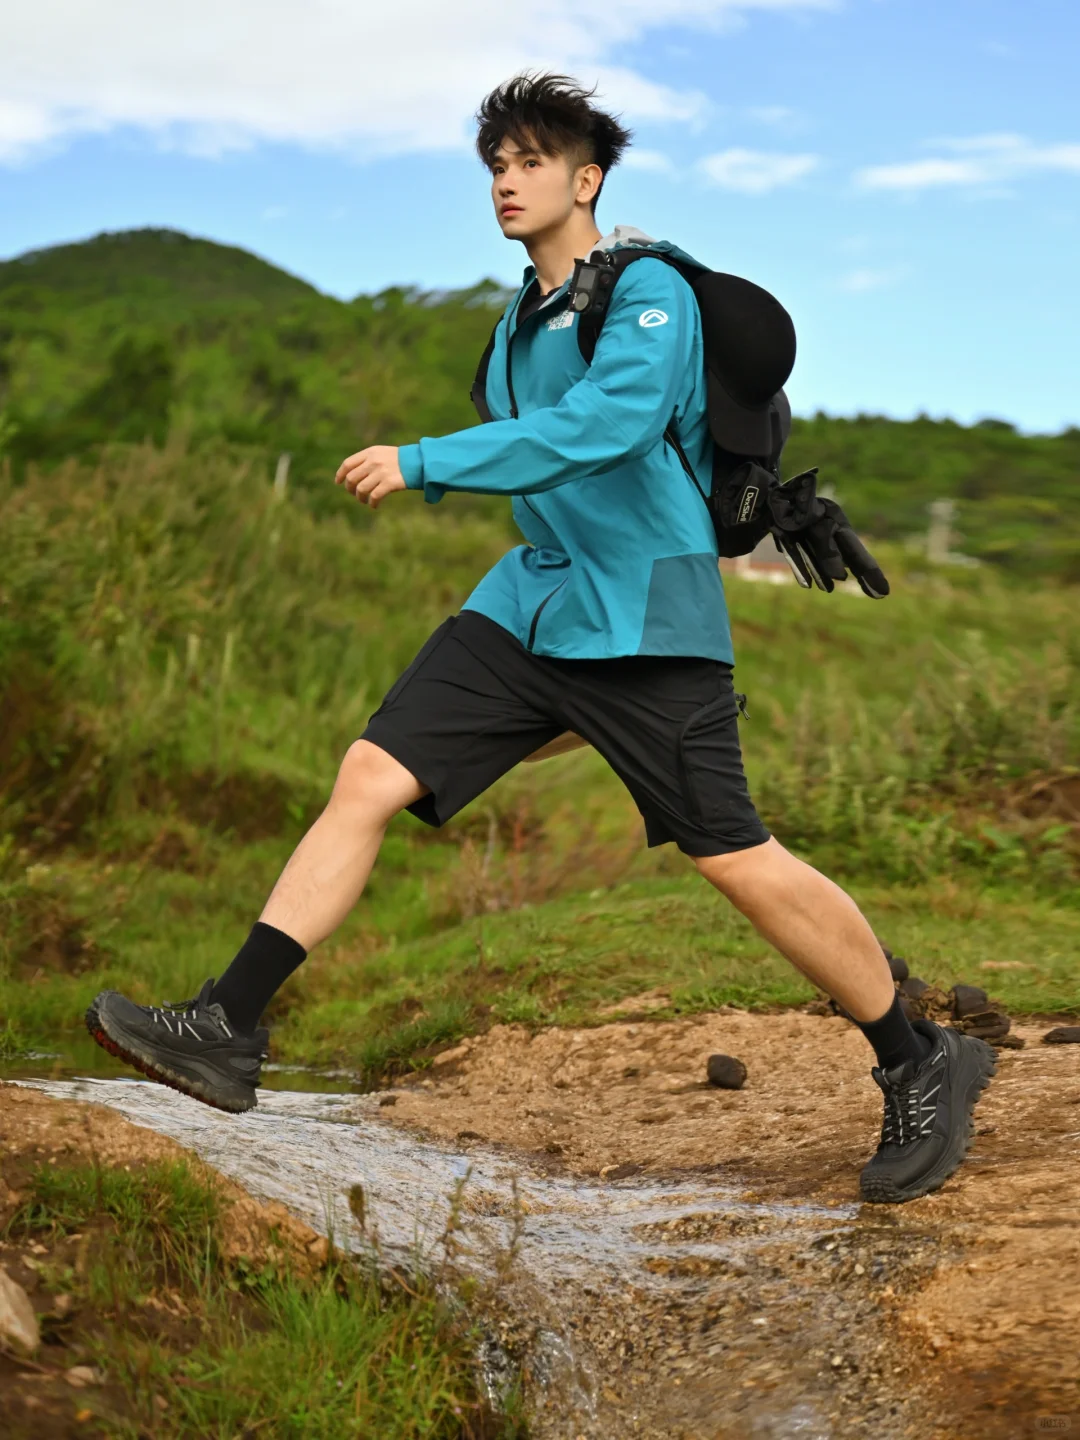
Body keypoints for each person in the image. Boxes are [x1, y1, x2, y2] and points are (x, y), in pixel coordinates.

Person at [87, 72, 995, 1205]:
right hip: (530, 603)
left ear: (587, 178)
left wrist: (425, 460)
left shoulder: (651, 289)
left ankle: (921, 1061)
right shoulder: (517, 321)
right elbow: (542, 439)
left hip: (646, 617)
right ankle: (229, 1022)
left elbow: (605, 429)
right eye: (495, 167)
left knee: (732, 854)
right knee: (370, 773)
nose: (508, 183)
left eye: (529, 162)